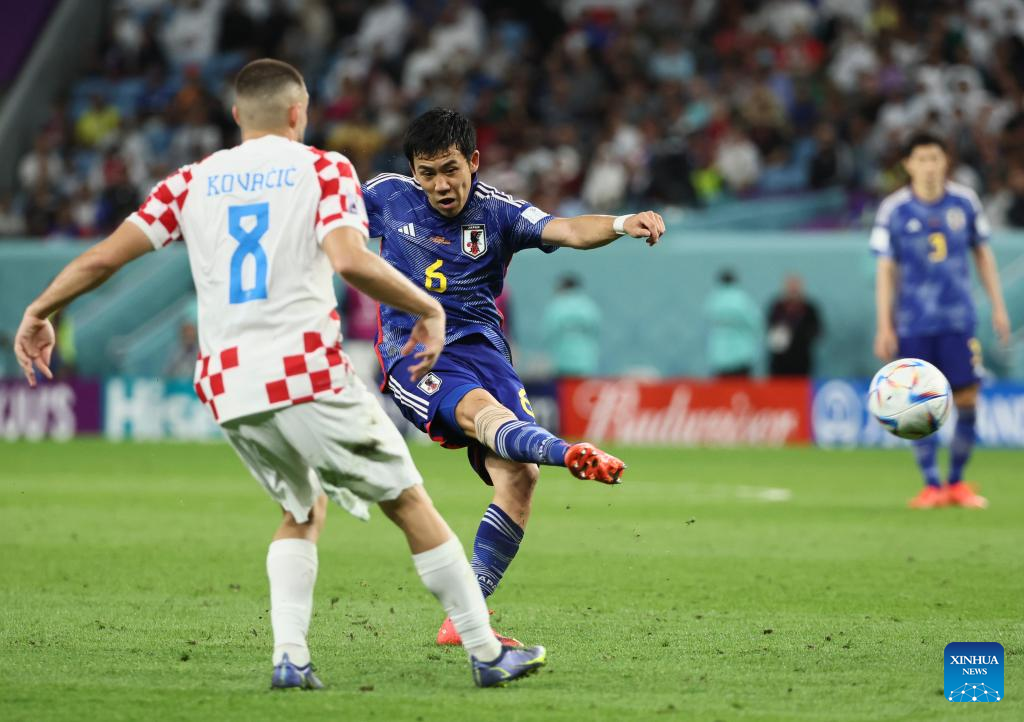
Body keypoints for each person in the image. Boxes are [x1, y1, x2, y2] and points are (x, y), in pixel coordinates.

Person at [13, 59, 544, 689]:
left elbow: (105, 257)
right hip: (305, 371)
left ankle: (290, 659)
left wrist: (40, 309)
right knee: (408, 501)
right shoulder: (324, 169)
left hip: (226, 384)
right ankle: (486, 652)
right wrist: (428, 308)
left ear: (237, 114)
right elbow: (350, 260)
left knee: (302, 507)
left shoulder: (190, 181)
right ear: (299, 112)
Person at [362, 108, 665, 646]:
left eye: (450, 170)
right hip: (417, 351)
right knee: (483, 414)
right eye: (427, 173)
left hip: (484, 351)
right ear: (412, 172)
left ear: (473, 162)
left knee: (521, 477)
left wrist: (622, 223)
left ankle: (465, 620)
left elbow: (566, 229)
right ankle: (567, 452)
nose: (440, 185)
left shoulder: (498, 212)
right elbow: (326, 226)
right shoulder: (386, 195)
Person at [872, 130, 1011, 510]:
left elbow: (983, 254)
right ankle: (931, 485)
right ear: (908, 164)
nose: (930, 166)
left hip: (958, 320)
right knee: (916, 406)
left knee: (967, 398)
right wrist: (884, 325)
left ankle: (957, 483)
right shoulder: (894, 210)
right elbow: (885, 269)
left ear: (945, 161)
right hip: (912, 323)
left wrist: (999, 307)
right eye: (922, 159)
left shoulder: (964, 202)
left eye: (935, 158)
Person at [703, 269, 762, 377]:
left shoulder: (713, 300)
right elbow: (755, 322)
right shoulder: (741, 299)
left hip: (719, 355)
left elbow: (707, 320)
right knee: (741, 385)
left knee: (722, 386)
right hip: (741, 354)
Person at [542, 274, 602, 377]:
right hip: (586, 362)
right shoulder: (589, 306)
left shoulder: (557, 305)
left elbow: (547, 333)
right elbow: (596, 331)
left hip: (562, 362)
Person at [766, 274, 822, 376]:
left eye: (795, 288)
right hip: (780, 359)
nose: (793, 291)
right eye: (791, 288)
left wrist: (803, 336)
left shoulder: (809, 309)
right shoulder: (777, 307)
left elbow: (818, 329)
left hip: (801, 358)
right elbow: (769, 325)